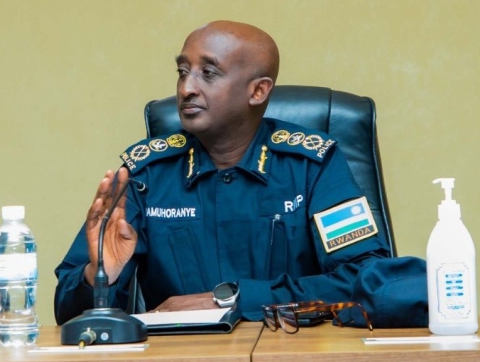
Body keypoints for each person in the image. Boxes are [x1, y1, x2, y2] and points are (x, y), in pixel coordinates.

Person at [54, 22, 391, 323]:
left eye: (208, 73)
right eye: (182, 71)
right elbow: (67, 311)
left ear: (257, 91)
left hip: (292, 354)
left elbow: (366, 280)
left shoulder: (313, 165)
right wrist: (100, 277)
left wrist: (234, 300)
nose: (186, 88)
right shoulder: (146, 174)